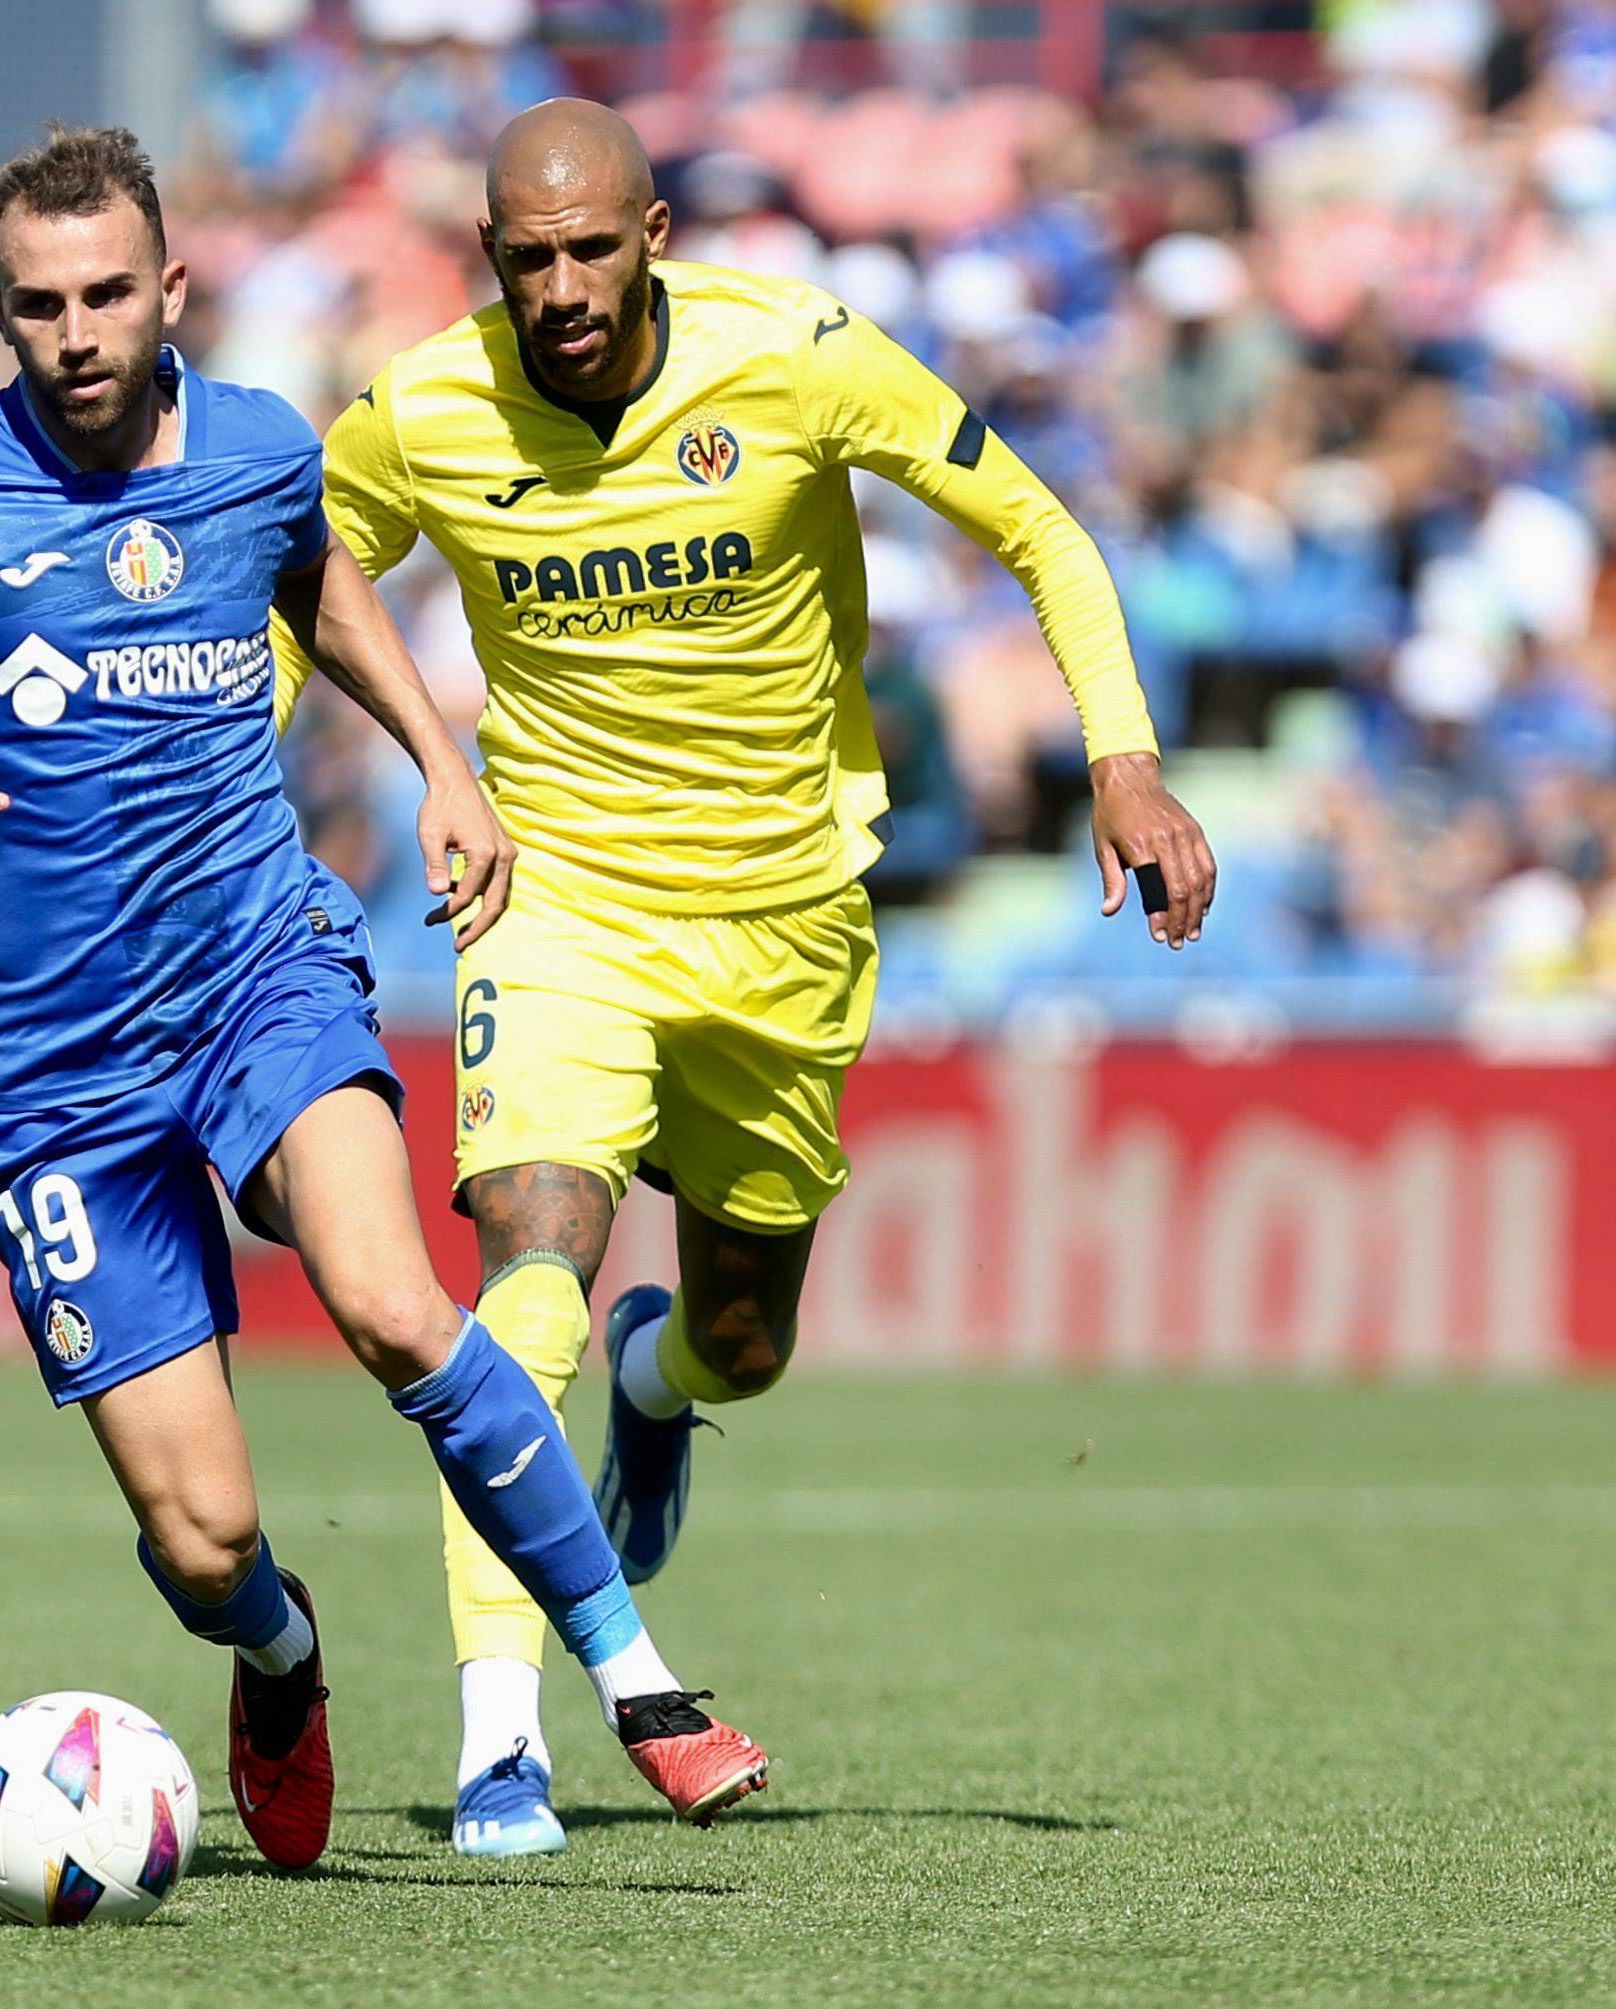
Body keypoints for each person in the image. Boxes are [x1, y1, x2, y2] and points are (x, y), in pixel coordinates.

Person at [0, 123, 770, 1877]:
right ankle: (280, 1651)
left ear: (170, 288)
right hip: (59, 1075)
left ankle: (639, 1681)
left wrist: (441, 753)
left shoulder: (259, 443)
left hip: (262, 969)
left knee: (399, 1305)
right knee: (201, 1537)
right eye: (41, 306)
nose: (81, 331)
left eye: (111, 292)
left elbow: (319, 577)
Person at [274, 99, 1217, 1857]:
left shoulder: (794, 354)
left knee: (743, 1339)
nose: (561, 287)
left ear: (651, 236)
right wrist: (252, 808)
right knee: (525, 1276)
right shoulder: (423, 408)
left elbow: (1040, 528)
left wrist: (1123, 758)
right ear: (491, 257)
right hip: (553, 905)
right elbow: (294, 579)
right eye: (526, 256)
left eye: (591, 248)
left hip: (785, 925)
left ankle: (664, 1392)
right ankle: (502, 1744)